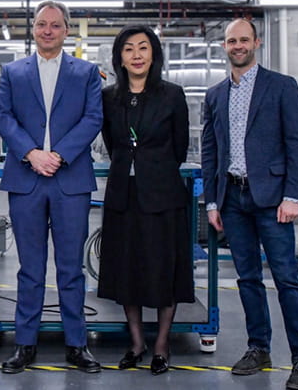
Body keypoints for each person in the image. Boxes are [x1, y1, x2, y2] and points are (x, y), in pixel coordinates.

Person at [202, 18, 298, 390]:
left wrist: (293, 195)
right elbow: (210, 151)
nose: (237, 45)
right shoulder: (216, 94)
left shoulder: (281, 87)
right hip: (232, 198)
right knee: (248, 278)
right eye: (231, 40)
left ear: (257, 42)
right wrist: (212, 202)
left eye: (243, 39)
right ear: (224, 46)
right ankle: (258, 347)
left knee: (287, 279)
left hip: (273, 199)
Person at [0, 0, 103, 374]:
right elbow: (3, 116)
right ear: (34, 28)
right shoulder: (13, 71)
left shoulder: (86, 72)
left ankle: (77, 344)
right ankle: (26, 343)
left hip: (69, 179)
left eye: (55, 25)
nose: (48, 31)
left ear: (66, 30)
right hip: (27, 179)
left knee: (71, 268)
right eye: (42, 24)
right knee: (31, 268)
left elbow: (93, 118)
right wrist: (30, 153)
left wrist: (58, 155)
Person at [97, 25, 194, 375]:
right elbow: (112, 142)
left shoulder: (172, 94)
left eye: (143, 48)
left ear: (154, 54)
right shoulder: (109, 97)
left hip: (162, 195)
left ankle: (161, 346)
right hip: (124, 194)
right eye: (128, 49)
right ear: (119, 58)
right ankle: (136, 343)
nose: (136, 55)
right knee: (128, 269)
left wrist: (153, 167)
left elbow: (179, 146)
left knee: (162, 269)